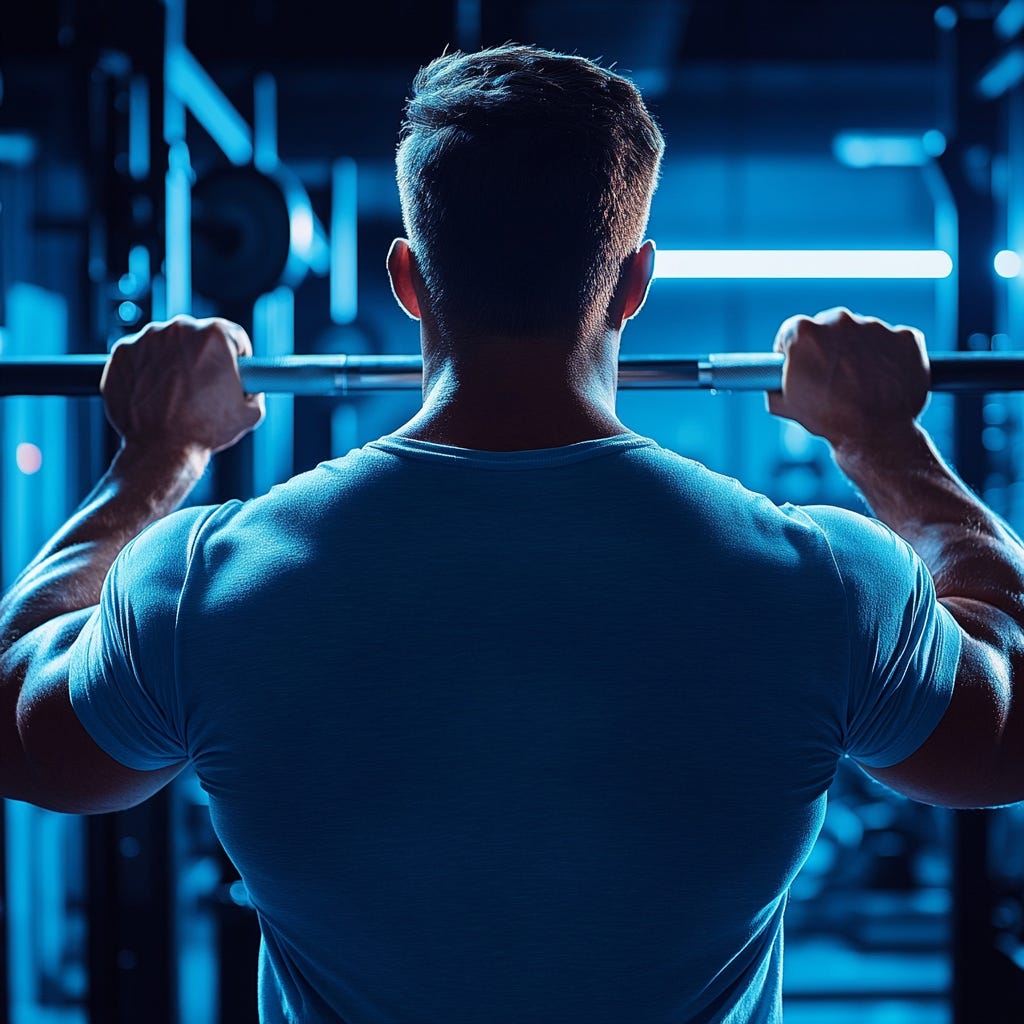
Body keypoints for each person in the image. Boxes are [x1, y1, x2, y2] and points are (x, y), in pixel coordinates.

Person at [0, 40, 1021, 1024]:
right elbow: (1011, 730)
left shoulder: (209, 581)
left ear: (407, 278)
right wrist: (885, 442)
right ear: (636, 282)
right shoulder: (822, 581)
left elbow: (16, 721)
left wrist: (155, 457)